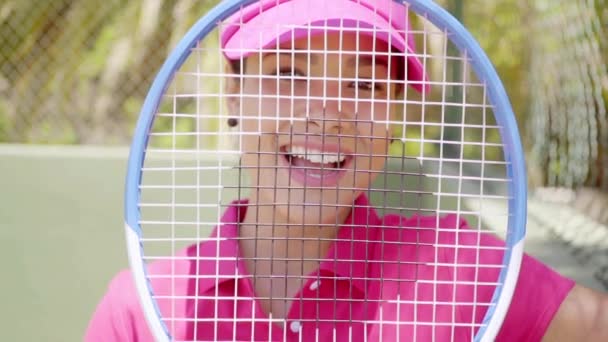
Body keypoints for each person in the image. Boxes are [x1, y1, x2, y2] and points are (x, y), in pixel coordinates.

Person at [85, 0, 608, 341]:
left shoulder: (463, 270)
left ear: (396, 116)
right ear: (234, 95)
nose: (328, 111)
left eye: (365, 85)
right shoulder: (138, 312)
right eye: (289, 74)